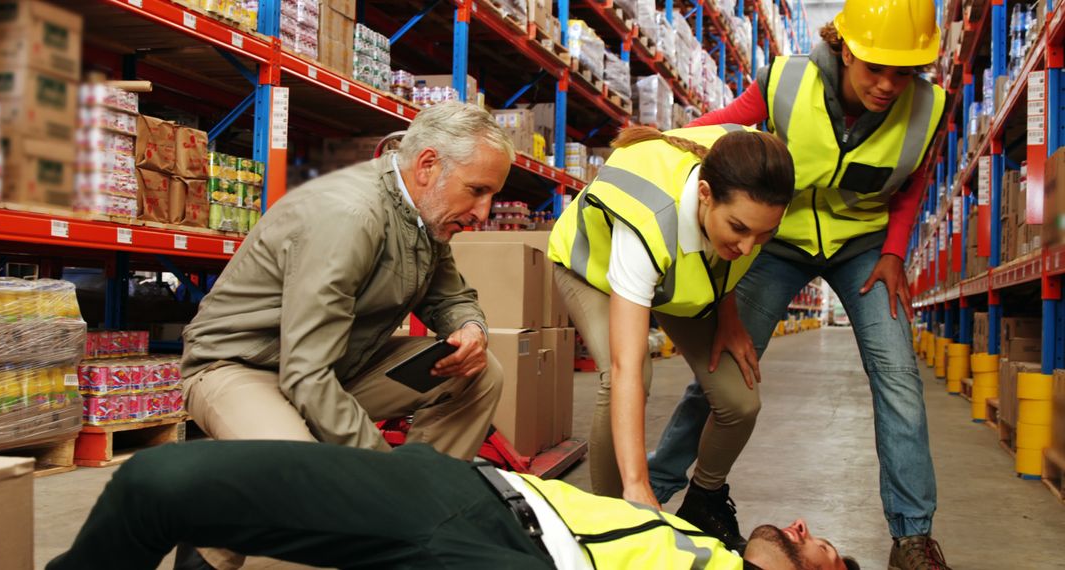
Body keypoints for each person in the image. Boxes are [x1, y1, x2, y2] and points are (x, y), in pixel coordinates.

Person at [647, 0, 950, 567]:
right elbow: (720, 131)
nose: (888, 85)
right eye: (874, 68)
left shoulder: (928, 108)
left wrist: (893, 254)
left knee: (899, 378)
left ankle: (912, 539)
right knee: (723, 370)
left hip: (862, 248)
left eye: (902, 71)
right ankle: (653, 495)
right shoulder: (787, 80)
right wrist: (655, 145)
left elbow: (910, 188)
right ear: (843, 46)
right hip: (778, 241)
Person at [178, 102, 514, 568]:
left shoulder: (424, 216)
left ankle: (420, 525)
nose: (483, 212)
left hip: (336, 365)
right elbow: (306, 374)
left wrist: (470, 329)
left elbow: (449, 297)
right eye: (477, 191)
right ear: (428, 165)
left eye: (492, 195)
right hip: (242, 368)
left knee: (477, 373)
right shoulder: (349, 216)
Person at [547, 124, 796, 550]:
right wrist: (637, 484)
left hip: (677, 279)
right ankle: (614, 524)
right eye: (738, 228)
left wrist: (729, 317)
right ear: (704, 194)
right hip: (596, 271)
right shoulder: (648, 221)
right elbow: (626, 366)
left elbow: (732, 257)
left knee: (740, 401)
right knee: (626, 376)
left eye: (765, 234)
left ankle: (704, 500)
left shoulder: (756, 175)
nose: (750, 246)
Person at [46, 440, 861, 570]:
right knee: (152, 482)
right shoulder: (699, 542)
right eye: (814, 530)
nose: (800, 529)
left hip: (505, 553)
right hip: (463, 490)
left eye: (819, 552)